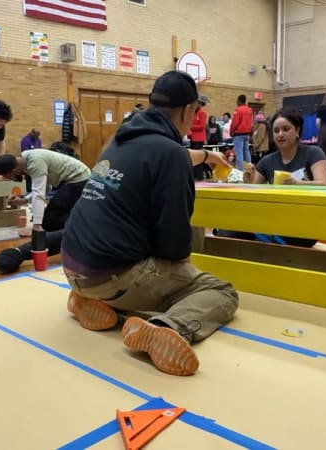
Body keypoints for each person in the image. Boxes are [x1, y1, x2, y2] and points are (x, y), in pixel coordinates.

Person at [61, 70, 238, 376]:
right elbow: (174, 246)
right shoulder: (171, 155)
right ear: (188, 110)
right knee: (220, 291)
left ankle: (86, 300)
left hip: (72, 266)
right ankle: (168, 326)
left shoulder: (122, 137)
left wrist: (206, 157)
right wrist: (182, 272)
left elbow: (168, 154)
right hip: (112, 275)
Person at [214, 108, 326, 248]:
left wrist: (297, 183)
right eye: (276, 131)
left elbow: (324, 185)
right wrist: (249, 183)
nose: (280, 134)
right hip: (274, 219)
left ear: (297, 130)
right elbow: (254, 198)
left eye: (286, 129)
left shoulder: (314, 153)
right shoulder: (267, 161)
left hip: (305, 222)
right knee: (230, 231)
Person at [0, 149, 90, 274]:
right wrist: (23, 201)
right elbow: (44, 189)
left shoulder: (34, 162)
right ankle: (71, 237)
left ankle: (72, 234)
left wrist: (37, 225)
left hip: (78, 179)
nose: (12, 179)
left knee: (49, 220)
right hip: (69, 181)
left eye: (9, 176)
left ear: (14, 170)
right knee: (51, 219)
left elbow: (39, 195)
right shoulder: (26, 159)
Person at [189, 94, 209, 180]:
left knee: (198, 157)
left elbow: (202, 126)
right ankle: (195, 175)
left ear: (200, 103)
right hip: (193, 138)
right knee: (193, 157)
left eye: (197, 103)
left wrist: (191, 126)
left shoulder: (202, 113)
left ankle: (199, 175)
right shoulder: (195, 112)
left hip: (199, 139)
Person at [230, 95, 253, 170]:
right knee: (246, 152)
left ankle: (240, 172)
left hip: (238, 134)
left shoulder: (238, 110)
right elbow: (251, 123)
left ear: (239, 101)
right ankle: (249, 170)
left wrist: (231, 131)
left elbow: (235, 123)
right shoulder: (250, 110)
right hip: (247, 134)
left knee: (239, 153)